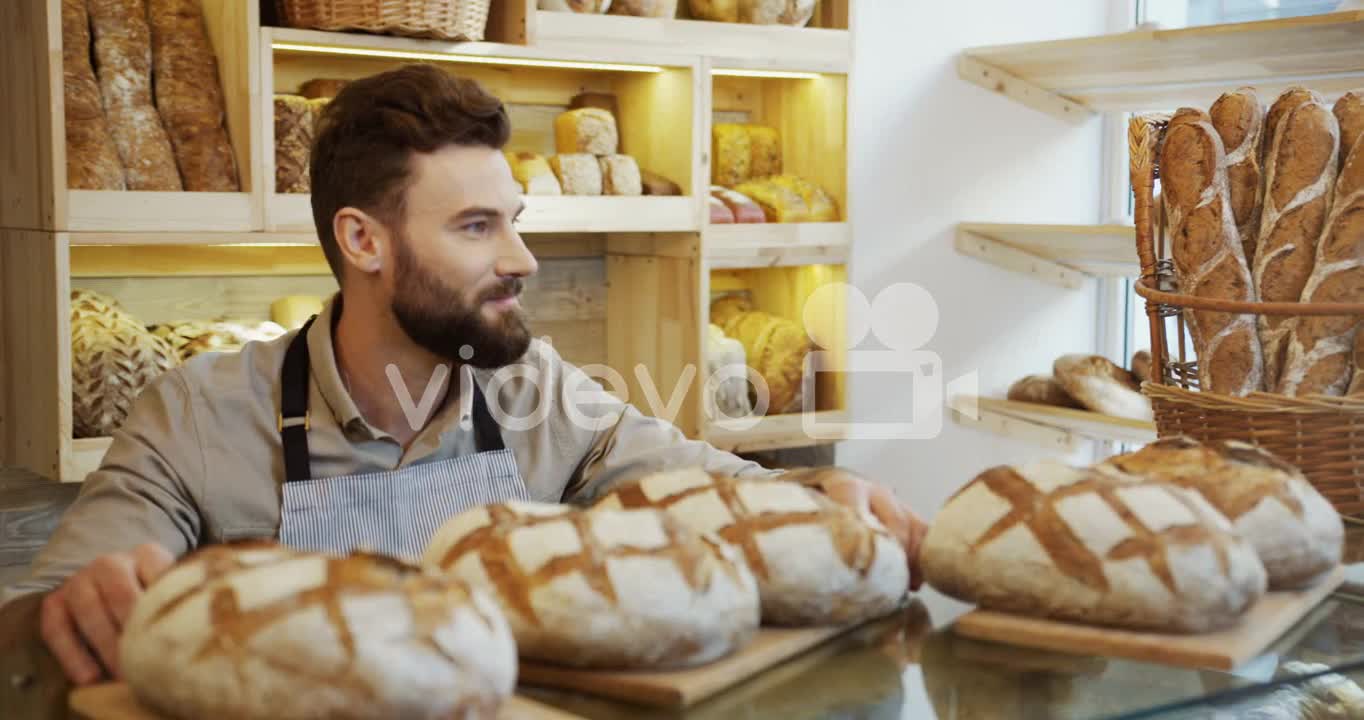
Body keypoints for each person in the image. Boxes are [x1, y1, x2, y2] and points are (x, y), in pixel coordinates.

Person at [0, 63, 927, 686]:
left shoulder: (539, 392)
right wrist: (77, 604)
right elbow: (42, 624)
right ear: (364, 240)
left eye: (514, 220)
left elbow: (702, 484)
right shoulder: (197, 414)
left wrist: (817, 489)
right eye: (478, 227)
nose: (522, 258)